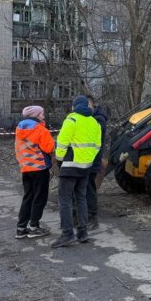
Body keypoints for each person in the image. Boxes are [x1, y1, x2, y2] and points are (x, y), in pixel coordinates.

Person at [51, 95, 101, 248]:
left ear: (74, 107)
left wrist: (59, 160)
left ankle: (67, 234)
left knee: (64, 199)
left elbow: (61, 143)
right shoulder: (95, 123)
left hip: (70, 166)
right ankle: (83, 232)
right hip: (86, 167)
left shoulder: (71, 120)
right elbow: (97, 146)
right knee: (81, 198)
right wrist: (88, 160)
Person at [15, 106, 55, 239]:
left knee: (28, 197)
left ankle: (21, 228)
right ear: (37, 115)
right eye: (42, 114)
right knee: (40, 198)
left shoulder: (19, 128)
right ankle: (34, 227)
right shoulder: (41, 130)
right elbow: (49, 148)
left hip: (26, 168)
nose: (43, 116)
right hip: (40, 168)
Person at [85, 95, 108, 231]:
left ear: (91, 105)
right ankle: (82, 216)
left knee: (89, 188)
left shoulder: (99, 120)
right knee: (84, 188)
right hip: (85, 159)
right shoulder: (93, 118)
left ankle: (92, 217)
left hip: (93, 159)